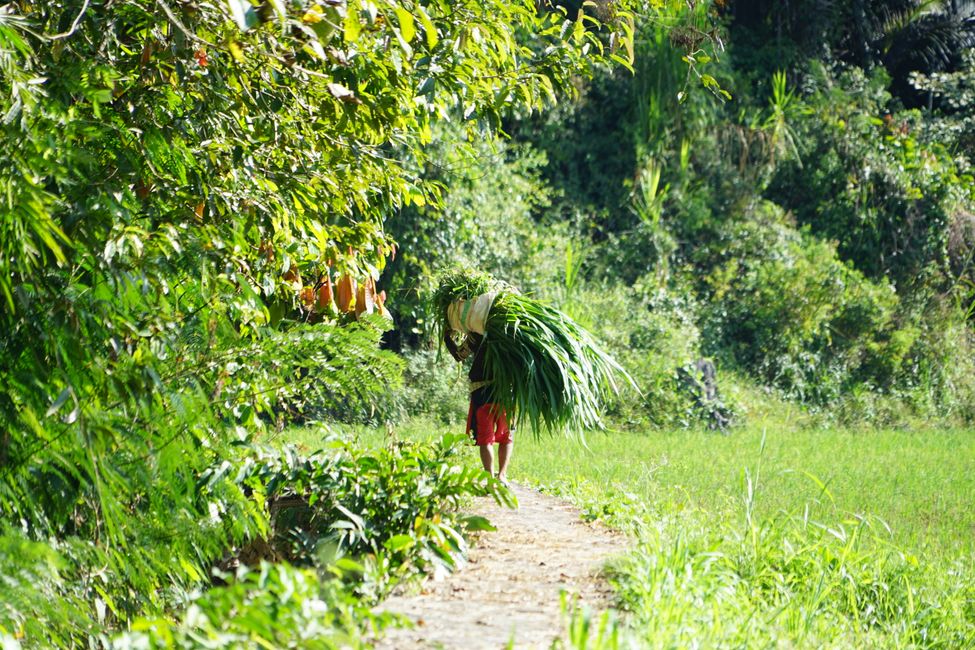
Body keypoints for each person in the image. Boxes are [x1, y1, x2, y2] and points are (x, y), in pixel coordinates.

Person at [444, 329, 513, 485]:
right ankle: (502, 475)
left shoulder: (476, 336)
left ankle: (490, 478)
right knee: (507, 437)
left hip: (482, 393)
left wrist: (447, 337)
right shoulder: (511, 336)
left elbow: (459, 355)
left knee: (485, 438)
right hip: (505, 393)